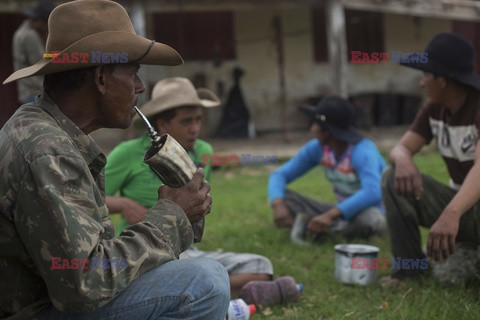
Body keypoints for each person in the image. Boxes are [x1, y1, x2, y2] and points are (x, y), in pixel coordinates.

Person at [0, 1, 229, 319]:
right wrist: (171, 214)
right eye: (134, 72)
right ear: (101, 78)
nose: (140, 87)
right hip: (39, 311)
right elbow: (85, 285)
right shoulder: (47, 149)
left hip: (49, 302)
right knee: (204, 281)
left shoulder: (49, 130)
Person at [105, 77, 274, 296]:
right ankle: (207, 292)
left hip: (184, 250)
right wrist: (123, 204)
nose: (195, 129)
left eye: (198, 120)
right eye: (186, 122)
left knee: (261, 267)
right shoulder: (127, 154)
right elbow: (92, 200)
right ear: (163, 124)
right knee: (202, 274)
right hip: (144, 251)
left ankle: (196, 292)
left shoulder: (204, 152)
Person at [381, 32, 480, 283]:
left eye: (426, 74)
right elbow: (400, 149)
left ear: (443, 80)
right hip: (464, 207)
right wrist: (403, 160)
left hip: (467, 207)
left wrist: (451, 213)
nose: (421, 82)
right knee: (392, 177)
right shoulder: (433, 109)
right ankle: (409, 272)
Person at [268, 96, 387, 244]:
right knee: (284, 197)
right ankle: (329, 227)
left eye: (316, 124)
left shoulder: (362, 151)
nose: (312, 129)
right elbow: (280, 175)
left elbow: (373, 192)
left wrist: (330, 216)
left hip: (373, 211)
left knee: (372, 220)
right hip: (340, 211)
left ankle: (321, 229)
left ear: (327, 131)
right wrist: (278, 204)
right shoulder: (317, 149)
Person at [12, 0, 54, 104]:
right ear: (40, 21)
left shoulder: (23, 31)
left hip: (28, 90)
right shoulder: (29, 36)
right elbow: (42, 63)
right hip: (34, 91)